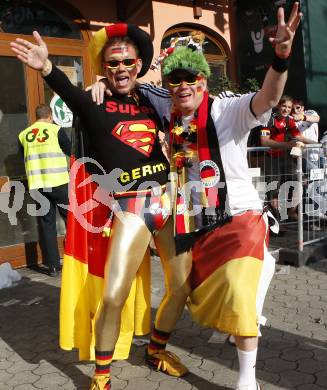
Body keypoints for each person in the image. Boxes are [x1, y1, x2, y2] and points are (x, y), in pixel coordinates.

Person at [89, 4, 302, 389]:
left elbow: (269, 98)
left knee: (240, 295)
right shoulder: (167, 109)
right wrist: (101, 83)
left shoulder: (229, 110)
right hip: (197, 224)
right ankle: (143, 355)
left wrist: (281, 57)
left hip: (239, 218)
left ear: (204, 81)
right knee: (189, 292)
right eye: (175, 79)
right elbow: (133, 82)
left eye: (192, 77)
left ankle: (246, 379)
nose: (183, 85)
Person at [11, 24, 191, 390]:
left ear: (138, 63)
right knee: (113, 295)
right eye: (112, 64)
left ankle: (156, 350)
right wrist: (46, 67)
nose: (121, 68)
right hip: (129, 209)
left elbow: (186, 104)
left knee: (182, 286)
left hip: (167, 201)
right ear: (103, 67)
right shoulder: (91, 101)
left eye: (127, 61)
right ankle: (102, 375)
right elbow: (64, 88)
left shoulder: (152, 99)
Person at [18, 104, 70, 276]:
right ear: (50, 115)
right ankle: (77, 260)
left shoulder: (24, 135)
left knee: (47, 225)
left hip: (38, 186)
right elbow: (71, 150)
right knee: (71, 221)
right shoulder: (56, 130)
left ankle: (53, 267)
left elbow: (22, 158)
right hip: (59, 183)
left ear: (36, 116)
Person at [260, 95, 314, 220]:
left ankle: (290, 212)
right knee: (273, 190)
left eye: (289, 107)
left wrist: (319, 144)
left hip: (285, 158)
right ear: (278, 105)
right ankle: (276, 220)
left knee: (299, 182)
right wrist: (287, 145)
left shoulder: (290, 120)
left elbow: (299, 137)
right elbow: (264, 142)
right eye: (284, 106)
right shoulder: (268, 119)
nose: (286, 109)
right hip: (270, 158)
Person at [292, 98, 320, 170]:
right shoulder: (290, 119)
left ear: (303, 108)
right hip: (300, 158)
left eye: (298, 107)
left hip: (314, 155)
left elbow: (317, 119)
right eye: (293, 108)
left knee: (318, 180)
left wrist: (303, 117)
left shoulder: (309, 112)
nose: (295, 110)